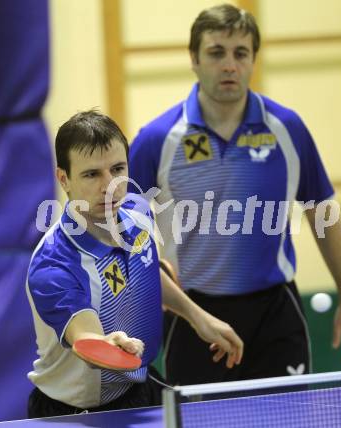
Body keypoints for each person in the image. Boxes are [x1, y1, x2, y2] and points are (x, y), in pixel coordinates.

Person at [128, 3, 341, 385]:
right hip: (193, 316)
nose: (229, 65)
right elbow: (124, 236)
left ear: (253, 59)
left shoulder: (287, 129)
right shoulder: (156, 141)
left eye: (241, 53)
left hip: (276, 314)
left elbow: (322, 213)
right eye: (216, 52)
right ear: (194, 58)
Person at [25, 110, 243, 417]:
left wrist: (197, 317)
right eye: (91, 174)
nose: (110, 186)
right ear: (64, 179)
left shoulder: (137, 211)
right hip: (77, 411)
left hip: (139, 387)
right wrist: (105, 344)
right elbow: (84, 338)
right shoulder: (54, 265)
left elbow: (146, 272)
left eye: (117, 169)